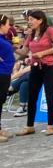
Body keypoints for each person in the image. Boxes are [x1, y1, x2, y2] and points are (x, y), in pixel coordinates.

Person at [15, 10, 53, 137]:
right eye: (29, 19)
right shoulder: (31, 33)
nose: (29, 22)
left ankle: (50, 126)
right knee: (32, 97)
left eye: (32, 19)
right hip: (35, 68)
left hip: (50, 68)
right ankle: (30, 126)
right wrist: (12, 47)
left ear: (40, 20)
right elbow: (25, 51)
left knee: (50, 96)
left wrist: (43, 53)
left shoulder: (50, 31)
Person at [0, 15, 15, 143]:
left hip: (5, 73)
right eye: (8, 24)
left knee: (1, 101)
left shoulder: (3, 38)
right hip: (1, 73)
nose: (9, 27)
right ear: (2, 25)